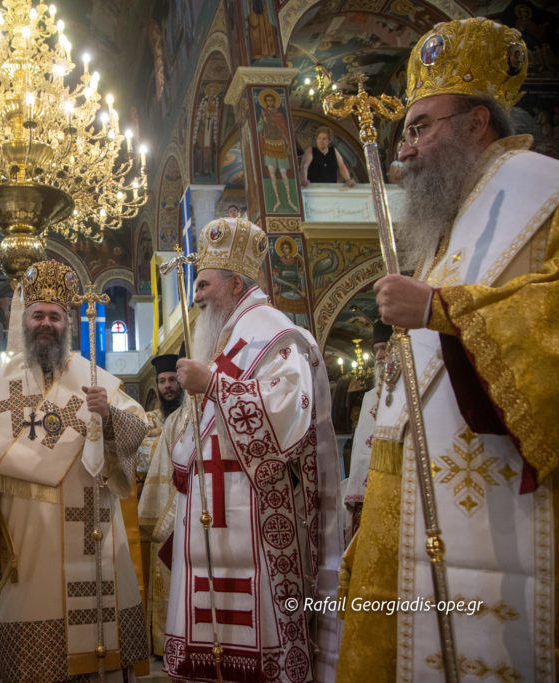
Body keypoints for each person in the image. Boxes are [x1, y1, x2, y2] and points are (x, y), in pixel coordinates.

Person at [338, 17, 559, 681]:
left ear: (476, 124)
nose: (403, 150)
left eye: (420, 126)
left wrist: (441, 310)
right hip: (411, 507)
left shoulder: (544, 194)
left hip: (519, 514)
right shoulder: (443, 229)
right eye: (405, 130)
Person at [0, 259, 149, 682]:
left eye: (54, 317)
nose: (46, 323)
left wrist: (110, 416)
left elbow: (140, 429)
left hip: (88, 525)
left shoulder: (96, 379)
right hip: (24, 531)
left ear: (68, 323)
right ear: (24, 321)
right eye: (38, 315)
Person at [163, 217, 340, 681]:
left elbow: (288, 417)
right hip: (212, 514)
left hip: (260, 518)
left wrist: (215, 387)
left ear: (236, 283)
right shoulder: (225, 339)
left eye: (203, 284)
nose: (195, 296)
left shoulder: (274, 334)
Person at [137, 353, 185, 655]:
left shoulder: (195, 415)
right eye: (163, 381)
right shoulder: (148, 422)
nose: (168, 387)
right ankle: (164, 641)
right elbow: (139, 469)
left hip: (190, 508)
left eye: (172, 380)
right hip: (162, 512)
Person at [341, 319, 391, 543]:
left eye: (385, 348)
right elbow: (361, 450)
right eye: (377, 349)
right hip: (369, 492)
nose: (380, 355)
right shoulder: (370, 397)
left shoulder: (414, 391)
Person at [258, 90, 299, 212]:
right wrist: (263, 122)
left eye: (271, 100)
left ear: (274, 102)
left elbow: (284, 130)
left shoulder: (279, 114)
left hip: (280, 144)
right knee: (271, 173)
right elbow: (258, 128)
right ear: (265, 102)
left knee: (283, 172)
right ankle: (277, 200)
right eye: (268, 101)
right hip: (269, 145)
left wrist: (288, 144)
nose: (269, 102)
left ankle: (290, 200)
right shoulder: (263, 115)